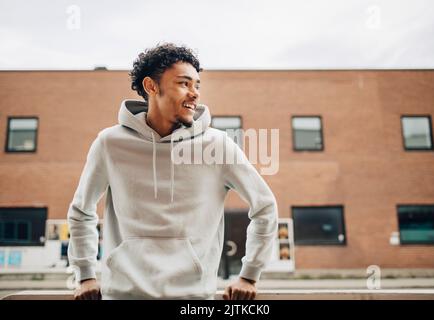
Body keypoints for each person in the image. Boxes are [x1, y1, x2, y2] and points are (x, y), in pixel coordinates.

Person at [67, 43, 278, 300]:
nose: (194, 93)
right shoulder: (109, 143)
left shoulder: (217, 145)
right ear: (151, 86)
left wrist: (249, 275)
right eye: (184, 84)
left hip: (193, 299)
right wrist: (86, 275)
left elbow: (265, 206)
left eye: (197, 85)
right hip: (123, 295)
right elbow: (81, 212)